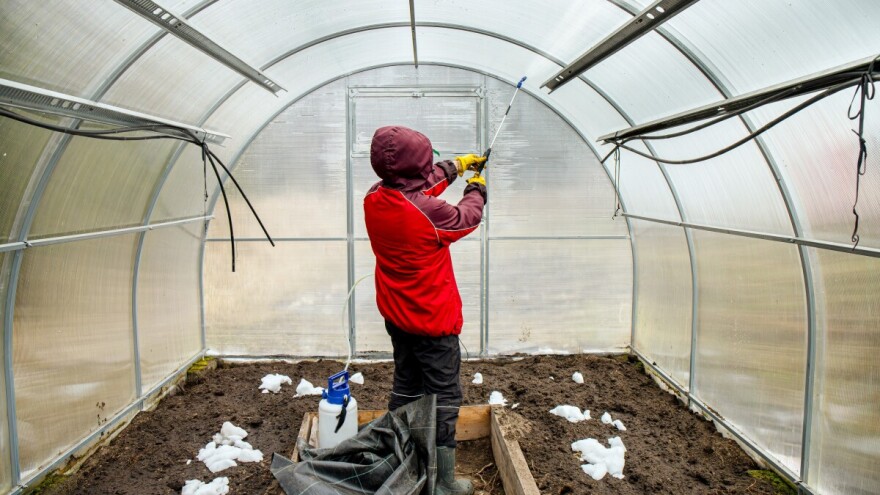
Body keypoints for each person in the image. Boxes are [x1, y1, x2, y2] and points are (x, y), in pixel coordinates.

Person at [364, 125, 486, 495]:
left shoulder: (374, 196)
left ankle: (402, 457)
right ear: (418, 166)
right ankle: (445, 482)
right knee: (444, 397)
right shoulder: (427, 213)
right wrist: (476, 189)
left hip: (397, 316)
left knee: (407, 384)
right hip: (432, 322)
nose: (432, 167)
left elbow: (420, 186)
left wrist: (458, 165)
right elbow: (467, 217)